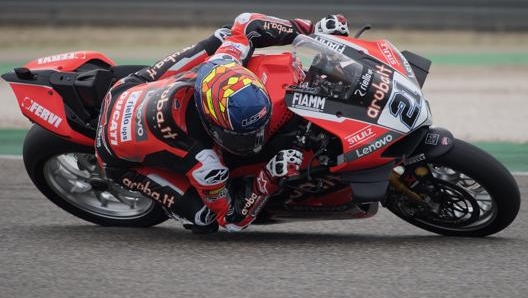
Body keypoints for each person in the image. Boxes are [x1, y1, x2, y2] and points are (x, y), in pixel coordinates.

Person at [95, 13, 350, 233]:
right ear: (215, 127)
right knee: (204, 220)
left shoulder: (223, 61)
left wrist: (312, 29)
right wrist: (269, 176)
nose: (257, 138)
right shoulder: (204, 164)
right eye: (247, 135)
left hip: (128, 88)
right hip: (114, 154)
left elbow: (248, 23)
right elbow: (232, 220)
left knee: (222, 36)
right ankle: (168, 203)